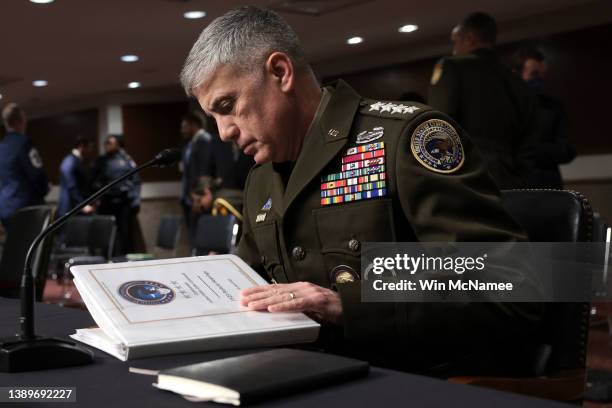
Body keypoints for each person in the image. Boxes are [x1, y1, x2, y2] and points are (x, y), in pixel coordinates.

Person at [180, 6, 542, 376]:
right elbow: (248, 286)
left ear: (280, 72)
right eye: (214, 117)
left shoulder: (405, 138)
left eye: (228, 106)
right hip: (304, 374)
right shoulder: (261, 178)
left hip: (410, 379)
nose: (224, 131)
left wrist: (345, 304)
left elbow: (510, 284)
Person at [428, 12, 537, 189]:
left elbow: (440, 124)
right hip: (513, 176)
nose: (454, 48)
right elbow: (530, 135)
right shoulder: (515, 79)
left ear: (469, 38)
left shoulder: (452, 66)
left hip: (468, 174)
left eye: (455, 41)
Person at [513, 47, 576, 189]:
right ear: (516, 74)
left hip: (548, 187)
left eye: (542, 75)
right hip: (514, 188)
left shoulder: (554, 107)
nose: (539, 80)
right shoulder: (505, 107)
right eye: (534, 74)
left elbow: (566, 150)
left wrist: (526, 149)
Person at [0, 103, 49, 229]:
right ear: (19, 121)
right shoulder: (25, 143)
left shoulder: (2, 147)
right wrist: (44, 189)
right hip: (26, 209)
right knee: (31, 248)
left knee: (14, 247)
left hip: (5, 208)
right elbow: (37, 175)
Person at [92, 135, 141, 254]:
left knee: (125, 235)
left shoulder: (126, 159)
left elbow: (136, 181)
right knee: (106, 233)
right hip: (106, 203)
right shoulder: (101, 161)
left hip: (123, 203)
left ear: (118, 144)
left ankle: (124, 258)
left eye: (110, 143)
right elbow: (92, 182)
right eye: (106, 142)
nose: (107, 145)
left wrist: (136, 200)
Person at [179, 113, 214, 242]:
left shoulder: (204, 141)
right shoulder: (190, 144)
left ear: (194, 125)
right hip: (189, 197)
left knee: (201, 237)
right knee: (193, 236)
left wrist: (198, 196)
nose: (182, 130)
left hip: (198, 198)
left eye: (184, 127)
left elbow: (204, 170)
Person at [57, 136, 95, 217]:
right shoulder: (70, 160)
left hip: (75, 207)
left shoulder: (77, 160)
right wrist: (81, 204)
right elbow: (71, 185)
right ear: (81, 146)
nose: (90, 151)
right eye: (89, 147)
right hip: (69, 207)